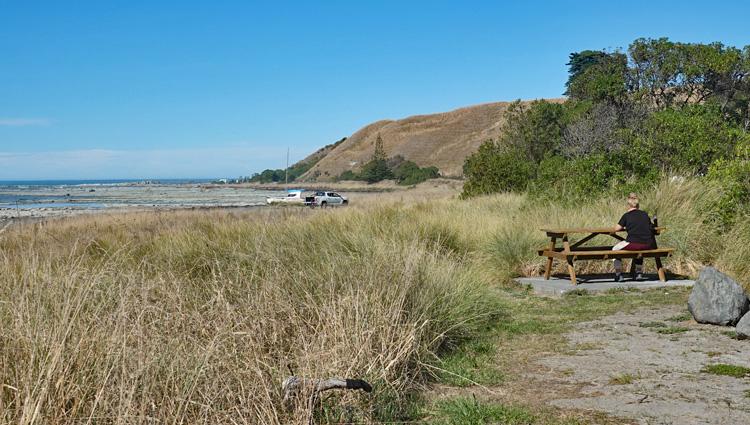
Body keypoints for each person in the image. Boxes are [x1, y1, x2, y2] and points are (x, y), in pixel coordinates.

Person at [612, 193, 656, 282]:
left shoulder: (626, 215)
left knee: (614, 249)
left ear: (628, 205)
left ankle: (618, 274)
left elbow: (616, 229)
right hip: (647, 244)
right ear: (638, 205)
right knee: (639, 252)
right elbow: (651, 226)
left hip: (633, 243)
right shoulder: (644, 214)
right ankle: (639, 273)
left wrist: (625, 226)